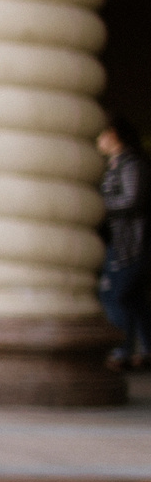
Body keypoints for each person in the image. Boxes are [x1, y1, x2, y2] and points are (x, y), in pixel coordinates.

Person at [100, 117, 147, 372]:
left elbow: (131, 199)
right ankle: (145, 351)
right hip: (118, 241)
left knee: (116, 296)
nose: (99, 140)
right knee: (133, 299)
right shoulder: (114, 165)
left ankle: (121, 352)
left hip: (130, 244)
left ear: (114, 134)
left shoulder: (130, 164)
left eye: (103, 134)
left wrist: (100, 207)